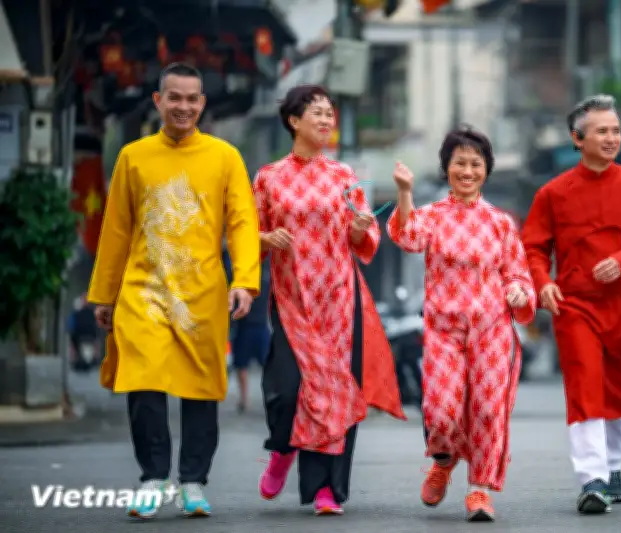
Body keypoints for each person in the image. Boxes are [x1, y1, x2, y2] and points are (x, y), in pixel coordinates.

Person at [87, 62, 261, 519]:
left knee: (200, 389)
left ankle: (193, 481)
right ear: (158, 101)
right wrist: (104, 294)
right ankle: (153, 476)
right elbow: (116, 229)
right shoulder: (133, 157)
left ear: (202, 103)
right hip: (143, 292)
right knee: (143, 382)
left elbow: (242, 223)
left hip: (202, 292)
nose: (183, 106)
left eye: (191, 99)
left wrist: (245, 281)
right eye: (174, 97)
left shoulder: (225, 157)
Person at [252, 84, 406, 516]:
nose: (326, 119)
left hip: (339, 299)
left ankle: (327, 490)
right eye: (316, 112)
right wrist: (266, 237)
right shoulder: (268, 177)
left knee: (337, 392)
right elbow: (247, 235)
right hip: (292, 300)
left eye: (329, 113)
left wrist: (359, 228)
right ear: (293, 121)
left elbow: (365, 235)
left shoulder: (343, 176)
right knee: (287, 390)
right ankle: (283, 448)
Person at [520, 94, 621, 514]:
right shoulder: (553, 193)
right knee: (584, 385)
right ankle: (592, 479)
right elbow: (533, 248)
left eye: (615, 130)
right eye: (601, 131)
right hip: (577, 305)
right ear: (577, 138)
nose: (611, 138)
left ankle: (613, 467)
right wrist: (543, 283)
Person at [386, 126, 537, 522]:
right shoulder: (432, 216)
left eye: (475, 164)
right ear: (447, 168)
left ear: (486, 170)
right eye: (460, 163)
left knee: (487, 410)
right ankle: (443, 460)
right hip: (443, 331)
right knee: (440, 411)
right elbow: (407, 237)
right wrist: (405, 192)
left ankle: (479, 490)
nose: (468, 171)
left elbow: (518, 274)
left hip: (492, 330)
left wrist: (519, 291)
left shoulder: (501, 223)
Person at [222, 245, 271, 412]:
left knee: (267, 365)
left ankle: (268, 397)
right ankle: (244, 399)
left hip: (261, 323)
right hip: (243, 324)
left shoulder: (267, 265)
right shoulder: (237, 266)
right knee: (241, 365)